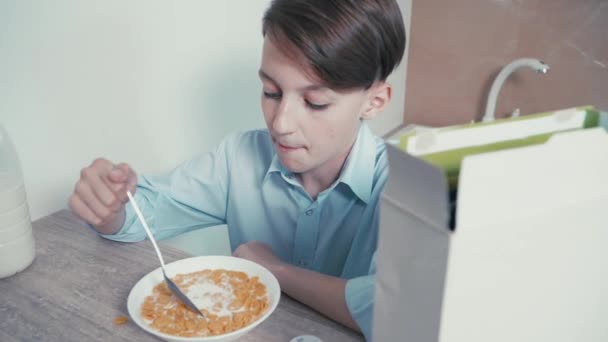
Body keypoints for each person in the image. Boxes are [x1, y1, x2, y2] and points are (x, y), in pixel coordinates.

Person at [69, 0, 406, 340]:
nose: (281, 123)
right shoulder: (239, 157)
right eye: (270, 92)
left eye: (314, 102)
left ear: (374, 102)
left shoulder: (403, 187)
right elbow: (147, 211)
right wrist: (110, 206)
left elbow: (391, 311)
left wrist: (277, 271)